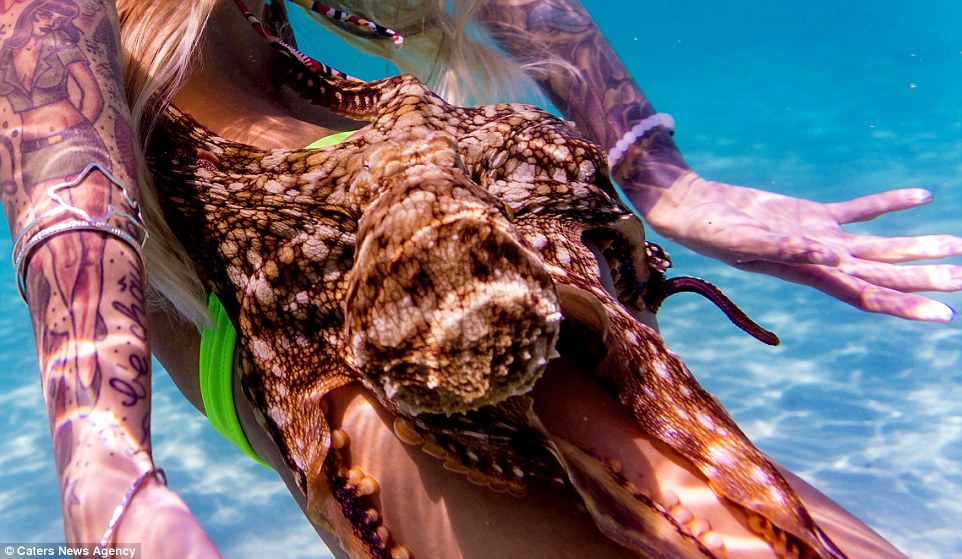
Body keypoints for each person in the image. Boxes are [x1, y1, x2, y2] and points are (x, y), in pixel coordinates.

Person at [0, 0, 956, 557]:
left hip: (454, 270)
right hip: (270, 327)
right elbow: (66, 187)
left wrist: (662, 176)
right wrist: (104, 463)